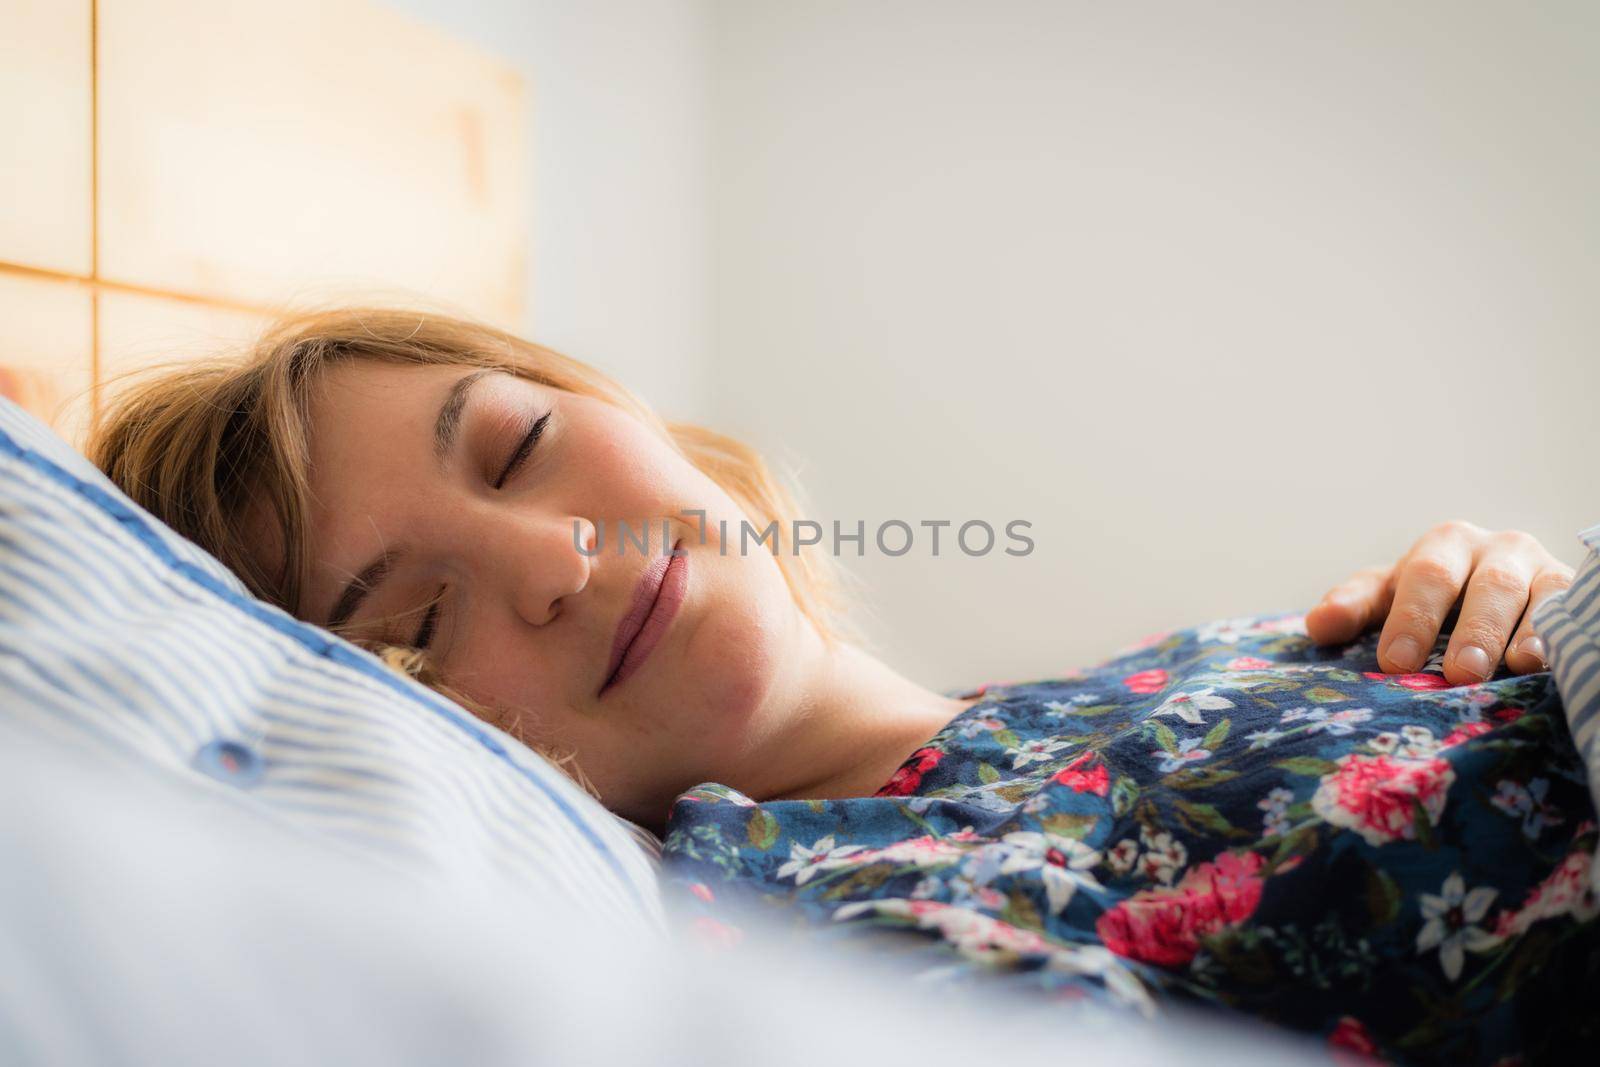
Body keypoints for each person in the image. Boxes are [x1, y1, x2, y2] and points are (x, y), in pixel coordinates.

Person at [90, 307, 1597, 1064]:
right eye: (415, 623)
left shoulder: (1166, 666)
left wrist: (1539, 595)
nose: (555, 559)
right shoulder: (780, 941)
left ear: (643, 421)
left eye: (519, 451)